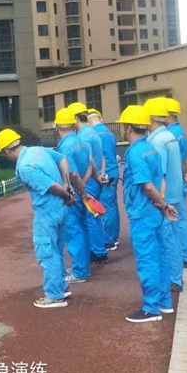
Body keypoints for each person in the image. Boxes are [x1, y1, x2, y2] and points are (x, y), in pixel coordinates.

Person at [0, 128, 75, 309]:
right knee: (56, 249)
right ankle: (61, 287)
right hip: (60, 209)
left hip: (47, 211)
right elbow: (62, 158)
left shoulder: (25, 167)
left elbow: (51, 186)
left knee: (46, 253)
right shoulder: (38, 150)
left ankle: (54, 295)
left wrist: (67, 194)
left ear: (6, 151)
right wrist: (67, 184)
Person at [117, 105, 177, 323]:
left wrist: (163, 204)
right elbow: (160, 181)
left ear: (127, 127)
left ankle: (151, 308)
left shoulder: (135, 153)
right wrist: (163, 205)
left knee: (147, 260)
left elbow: (148, 186)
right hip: (153, 211)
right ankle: (164, 302)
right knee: (160, 256)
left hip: (142, 213)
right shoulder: (150, 148)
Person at [144, 97, 185, 293]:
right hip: (175, 192)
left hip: (166, 195)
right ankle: (176, 275)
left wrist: (158, 199)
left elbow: (159, 173)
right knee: (173, 236)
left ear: (151, 117)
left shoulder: (157, 141)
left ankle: (174, 278)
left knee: (167, 239)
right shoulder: (169, 135)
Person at [54, 108, 92, 284]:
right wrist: (83, 189)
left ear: (57, 127)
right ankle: (83, 267)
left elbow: (73, 174)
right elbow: (89, 167)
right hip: (81, 189)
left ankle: (79, 271)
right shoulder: (80, 141)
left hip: (73, 194)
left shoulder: (65, 146)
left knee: (74, 231)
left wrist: (79, 192)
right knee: (83, 228)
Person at [68, 102, 107, 264]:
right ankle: (98, 250)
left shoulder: (82, 136)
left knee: (90, 218)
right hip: (95, 181)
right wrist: (102, 174)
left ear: (76, 119)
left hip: (88, 180)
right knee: (94, 216)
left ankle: (97, 252)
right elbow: (101, 156)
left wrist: (94, 176)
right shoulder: (93, 132)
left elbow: (90, 160)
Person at [165, 97, 187, 269]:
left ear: (167, 115)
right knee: (182, 219)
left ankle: (179, 257)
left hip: (175, 181)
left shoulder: (170, 135)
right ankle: (186, 255)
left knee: (174, 220)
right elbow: (186, 157)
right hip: (182, 179)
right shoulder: (180, 131)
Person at [88, 109, 120, 250]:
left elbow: (99, 157)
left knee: (106, 206)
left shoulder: (94, 134)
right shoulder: (109, 133)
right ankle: (113, 236)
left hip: (105, 173)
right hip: (112, 171)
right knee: (112, 205)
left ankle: (109, 240)